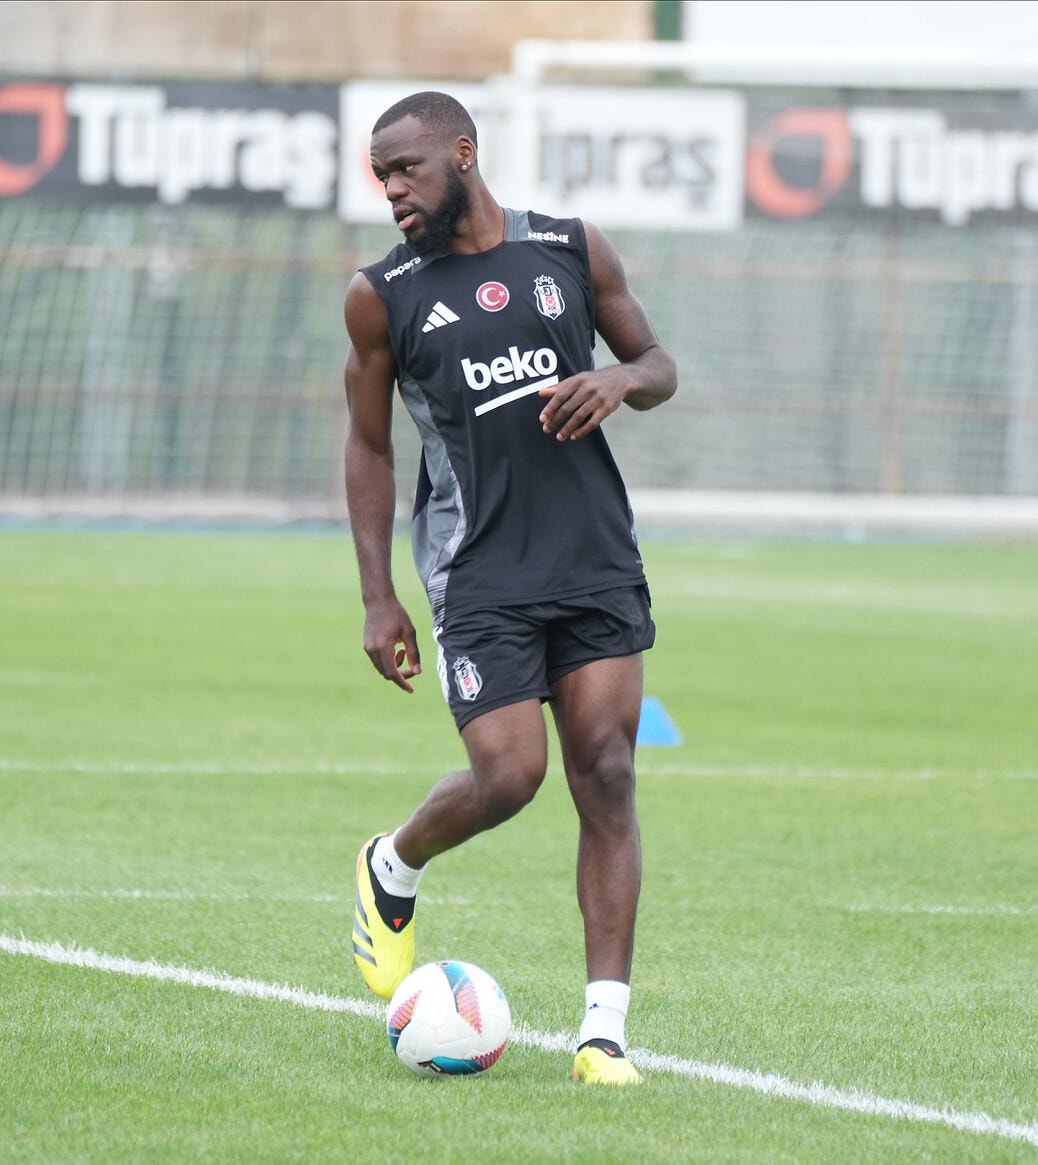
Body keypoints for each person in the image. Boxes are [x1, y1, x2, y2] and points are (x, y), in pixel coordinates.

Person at [342, 91, 676, 1086]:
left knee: (607, 770)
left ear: (462, 154)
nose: (393, 191)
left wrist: (618, 381)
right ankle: (393, 863)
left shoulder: (570, 248)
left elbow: (657, 363)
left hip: (594, 554)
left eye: (405, 170)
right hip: (479, 565)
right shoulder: (382, 294)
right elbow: (368, 447)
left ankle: (603, 1033)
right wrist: (378, 595)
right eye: (381, 178)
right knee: (511, 776)